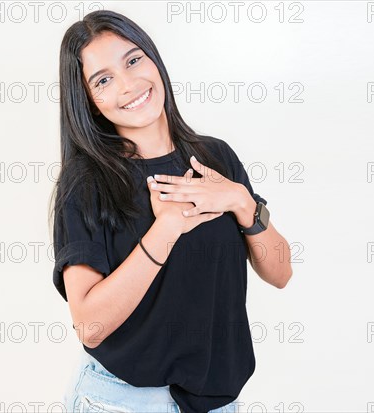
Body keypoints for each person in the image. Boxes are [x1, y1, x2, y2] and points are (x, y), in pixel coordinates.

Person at [49, 9, 293, 413]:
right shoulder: (86, 183)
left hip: (216, 400)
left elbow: (281, 273)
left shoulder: (215, 158)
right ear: (90, 102)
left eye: (133, 60)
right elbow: (90, 326)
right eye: (104, 80)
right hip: (122, 400)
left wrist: (241, 203)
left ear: (153, 59)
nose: (128, 85)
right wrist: (166, 228)